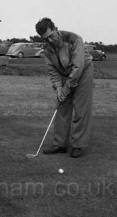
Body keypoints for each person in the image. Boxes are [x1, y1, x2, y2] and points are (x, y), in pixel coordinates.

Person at [35, 18, 94, 158]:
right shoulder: (47, 49)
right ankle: (60, 144)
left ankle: (78, 145)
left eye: (51, 36)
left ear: (56, 28)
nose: (49, 40)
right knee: (61, 106)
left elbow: (78, 67)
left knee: (81, 108)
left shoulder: (74, 39)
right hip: (64, 74)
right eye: (45, 39)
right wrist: (59, 88)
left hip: (83, 71)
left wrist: (67, 87)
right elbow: (52, 71)